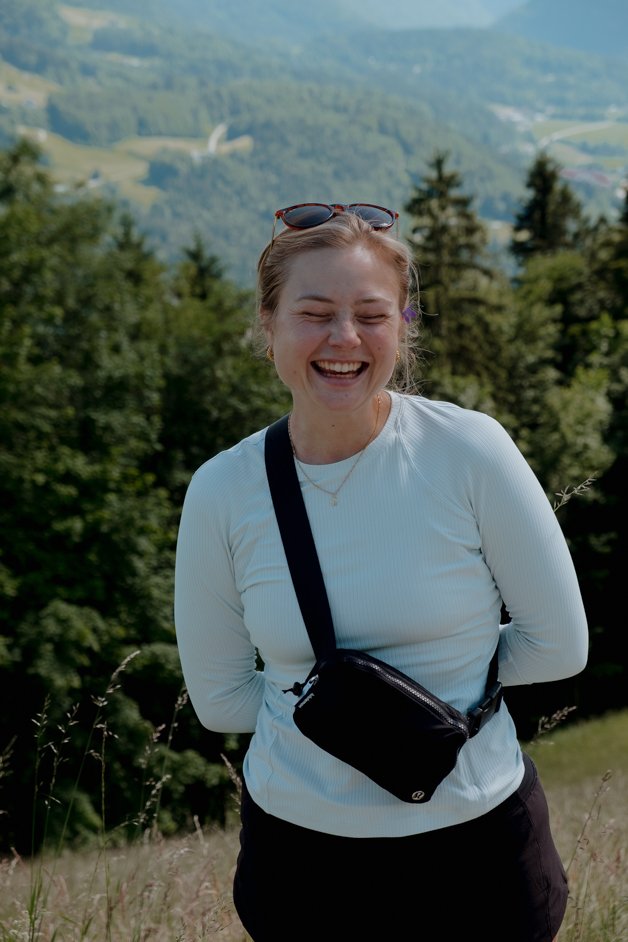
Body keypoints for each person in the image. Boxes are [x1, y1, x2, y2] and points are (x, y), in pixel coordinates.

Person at [174, 202, 589, 941]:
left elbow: (562, 644)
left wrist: (401, 695)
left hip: (482, 857)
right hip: (301, 870)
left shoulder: (471, 451)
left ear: (403, 326)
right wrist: (444, 684)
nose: (344, 338)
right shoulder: (220, 490)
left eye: (371, 314)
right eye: (315, 313)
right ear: (268, 327)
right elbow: (218, 701)